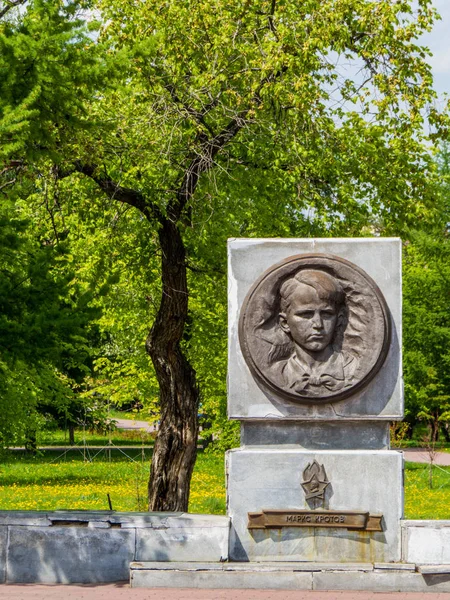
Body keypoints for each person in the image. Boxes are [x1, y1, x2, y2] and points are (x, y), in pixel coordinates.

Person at [275, 269, 357, 397]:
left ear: (339, 320)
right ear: (285, 323)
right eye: (306, 314)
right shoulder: (278, 373)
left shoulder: (354, 368)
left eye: (326, 314)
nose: (318, 324)